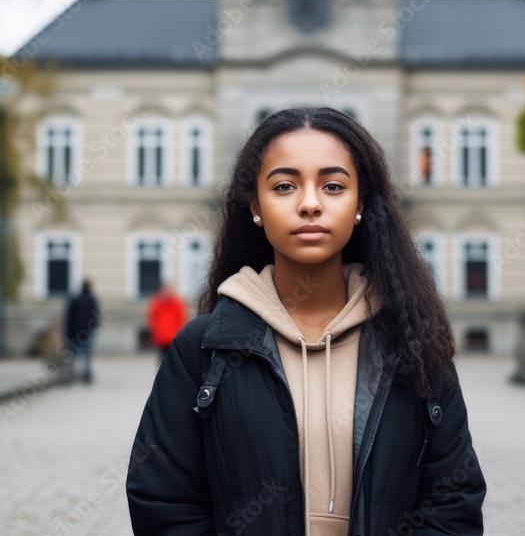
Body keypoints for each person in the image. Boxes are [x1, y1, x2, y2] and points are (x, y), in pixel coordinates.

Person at [126, 107, 486, 535]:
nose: (310, 204)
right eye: (284, 186)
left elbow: (453, 499)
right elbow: (163, 500)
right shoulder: (203, 349)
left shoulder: (412, 344)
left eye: (333, 186)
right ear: (255, 206)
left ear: (360, 205)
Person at [64, 279, 101, 384]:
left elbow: (69, 317)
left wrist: (67, 333)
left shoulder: (75, 300)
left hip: (75, 332)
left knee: (73, 356)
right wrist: (93, 328)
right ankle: (87, 376)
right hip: (87, 331)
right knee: (87, 356)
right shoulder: (92, 300)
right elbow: (96, 316)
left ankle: (70, 377)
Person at [145, 281, 188, 362]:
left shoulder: (177, 302)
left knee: (173, 359)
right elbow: (152, 318)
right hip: (162, 337)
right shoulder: (157, 302)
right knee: (162, 359)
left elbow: (181, 319)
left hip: (174, 337)